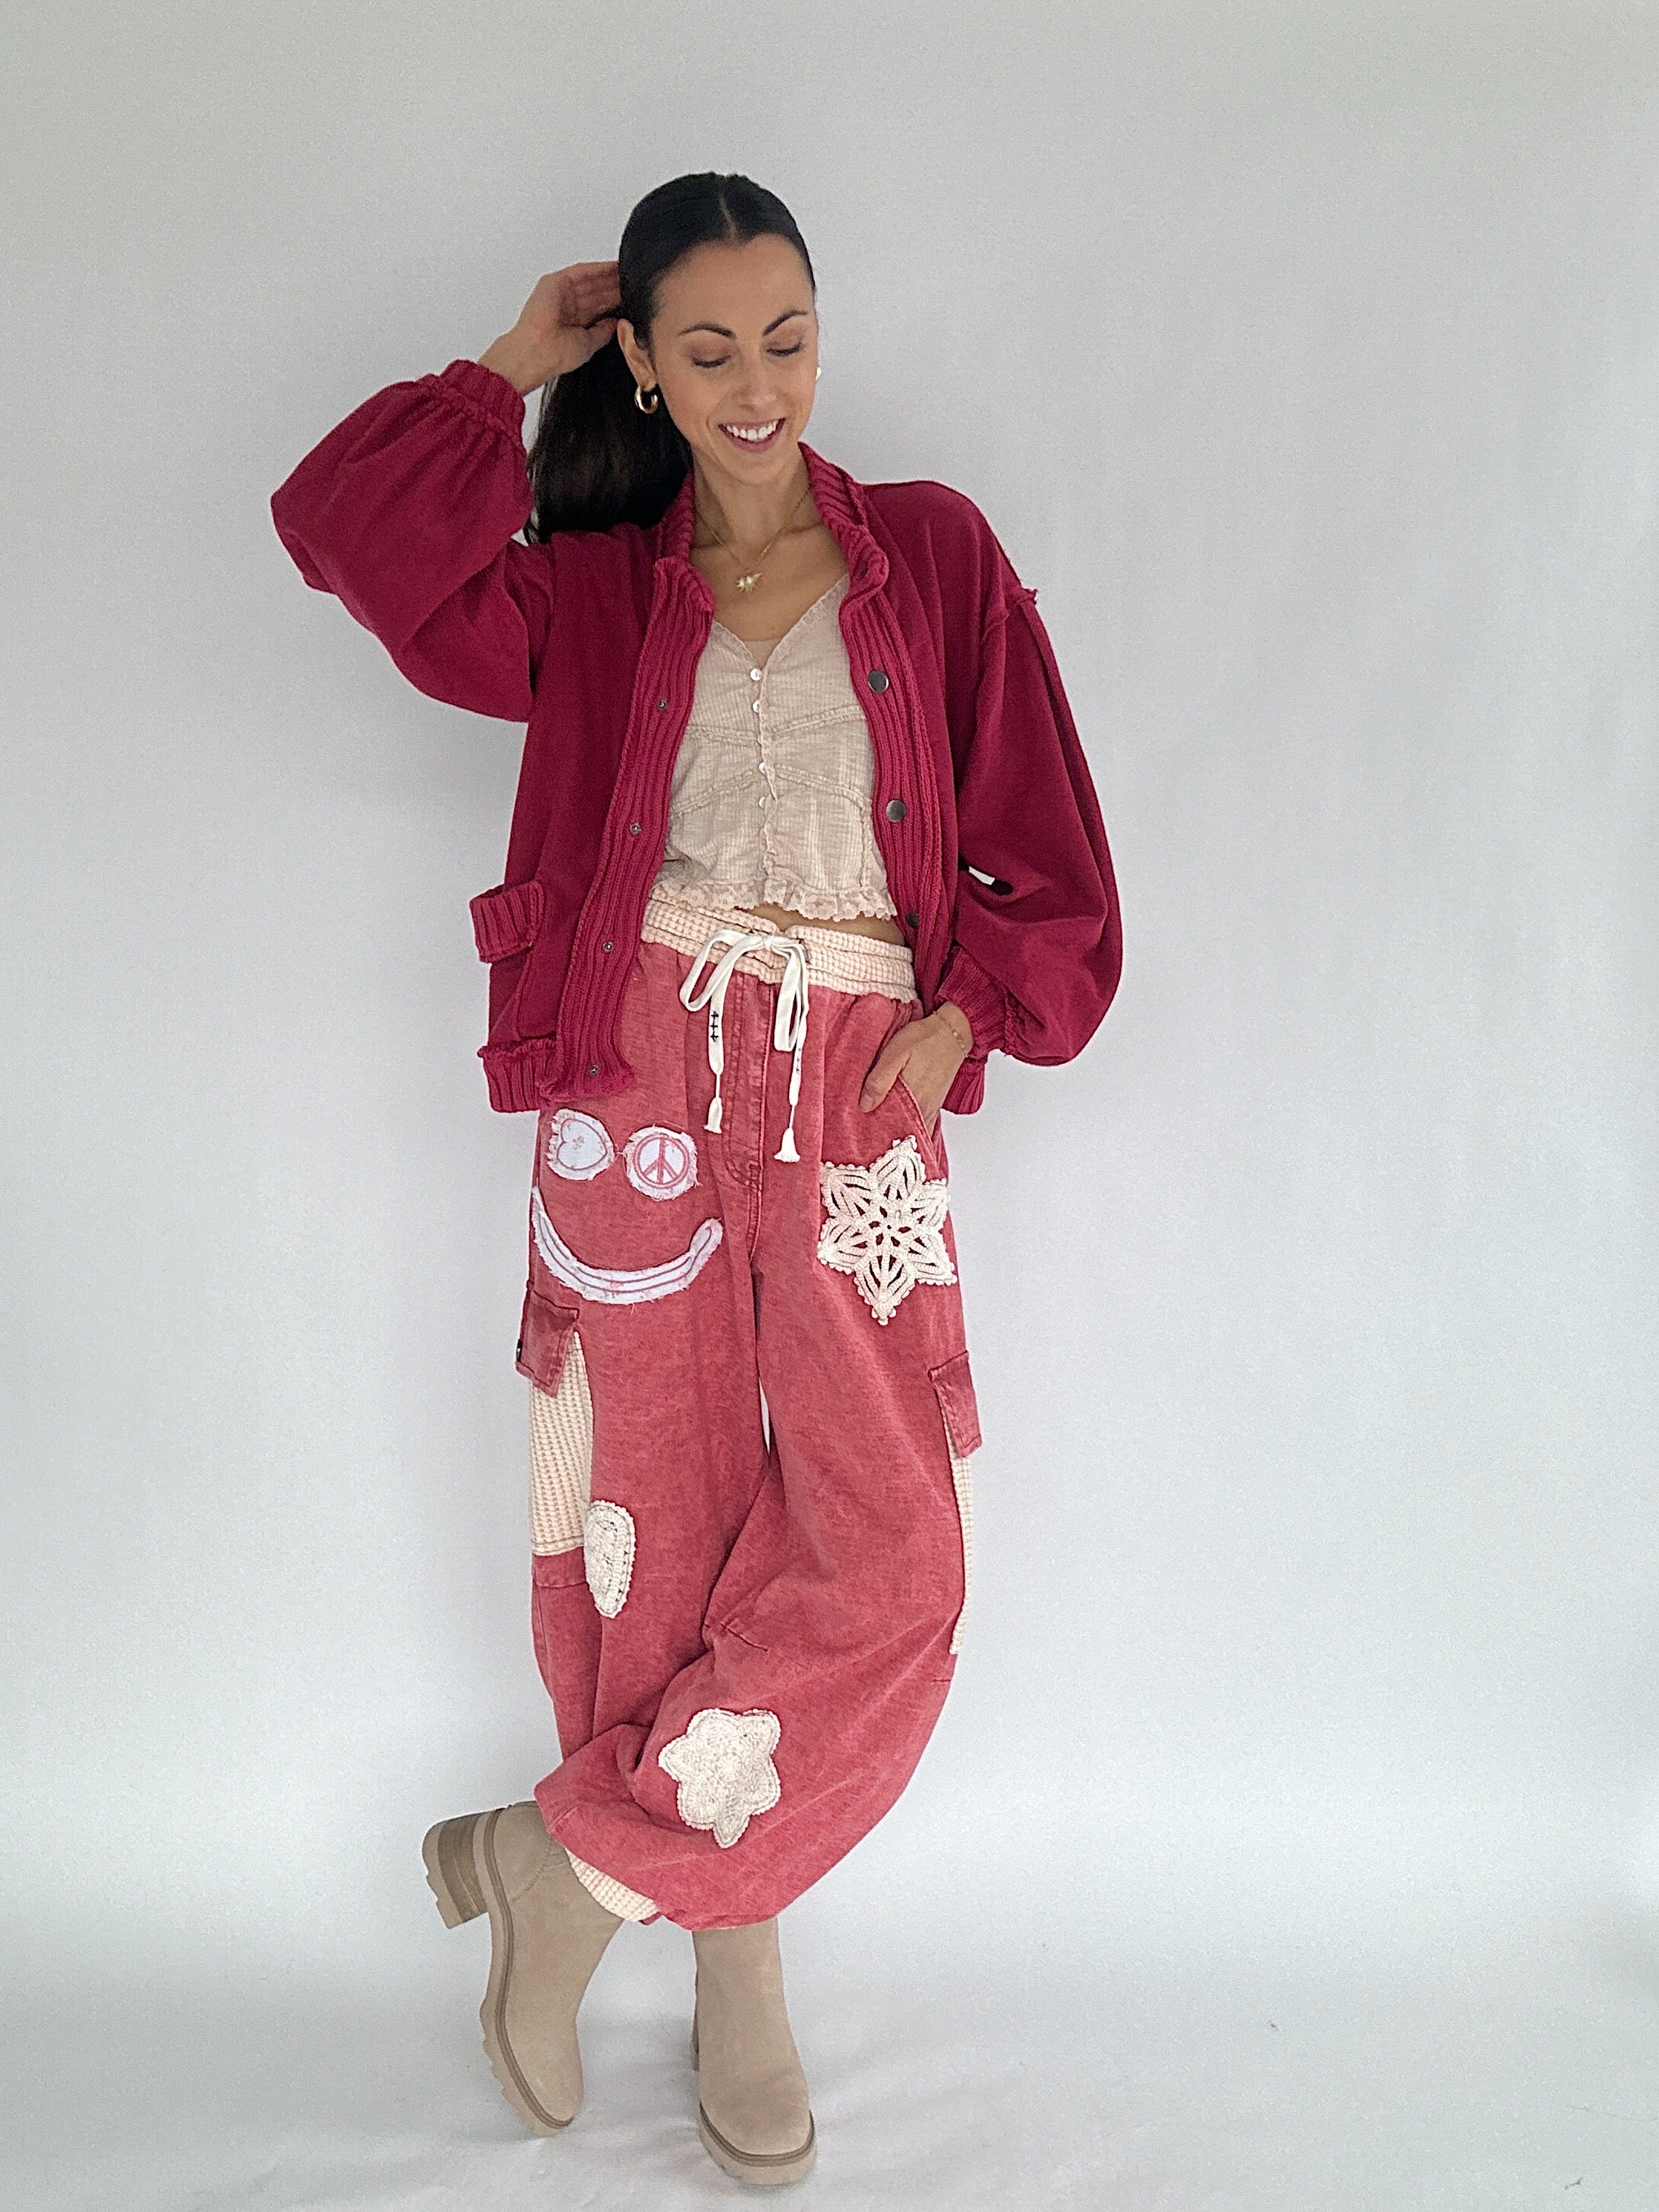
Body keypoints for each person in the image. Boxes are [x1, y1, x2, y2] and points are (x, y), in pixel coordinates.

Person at [270, 169, 1121, 2187]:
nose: (759, 386)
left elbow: (1054, 864)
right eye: (710, 348)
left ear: (828, 333)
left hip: (848, 1087)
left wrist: (955, 1021)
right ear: (643, 361)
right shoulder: (589, 592)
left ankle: (559, 1872)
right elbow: (342, 533)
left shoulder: (929, 556)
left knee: (891, 1559)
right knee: (646, 1533)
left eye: (790, 338)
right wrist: (507, 368)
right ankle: (726, 1950)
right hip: (633, 1063)